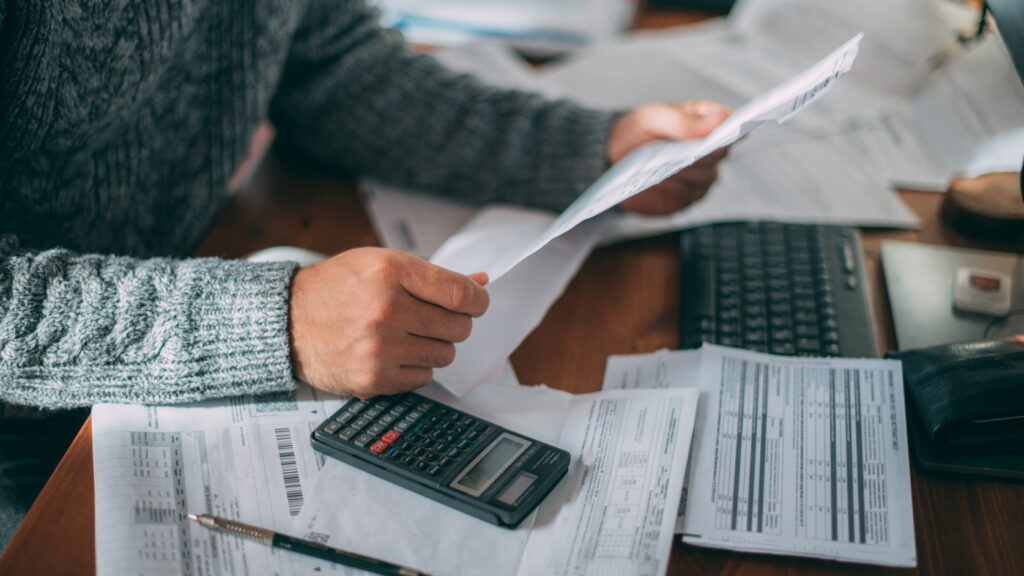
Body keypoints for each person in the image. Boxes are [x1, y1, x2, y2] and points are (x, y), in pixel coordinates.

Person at [0, 0, 729, 549]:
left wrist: (588, 149)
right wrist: (275, 322)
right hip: (33, 442)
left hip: (190, 294)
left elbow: (331, 65)